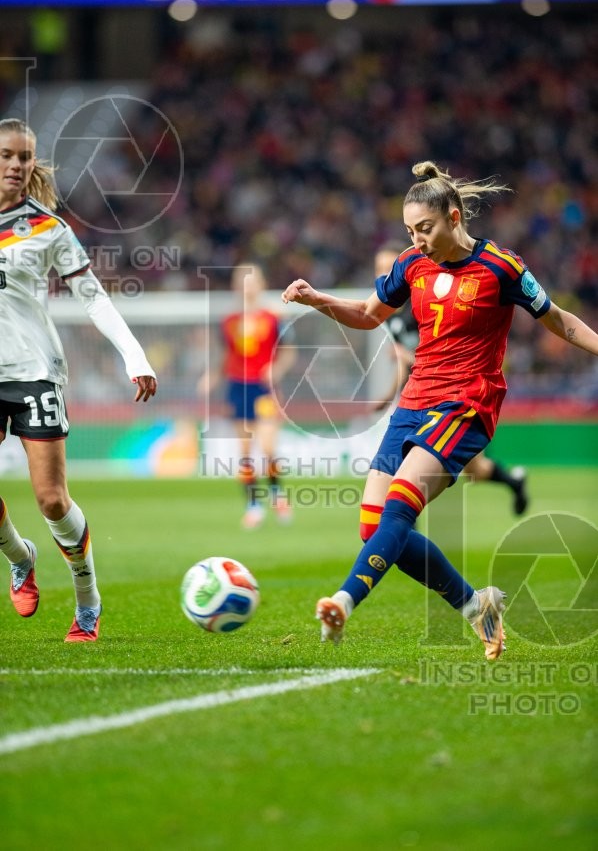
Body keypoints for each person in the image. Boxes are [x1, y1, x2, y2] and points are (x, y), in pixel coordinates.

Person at [282, 160, 598, 660]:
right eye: (409, 230)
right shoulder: (411, 265)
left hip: (467, 403)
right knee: (374, 528)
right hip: (415, 401)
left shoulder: (502, 267)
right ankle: (477, 606)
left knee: (400, 507)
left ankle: (343, 602)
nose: (417, 239)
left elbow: (558, 319)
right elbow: (368, 315)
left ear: (454, 217)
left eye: (424, 228)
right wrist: (319, 300)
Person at [0, 117, 157, 642]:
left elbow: (92, 296)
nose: (16, 165)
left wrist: (134, 354)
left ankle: (87, 598)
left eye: (24, 157)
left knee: (51, 500)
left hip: (35, 372)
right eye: (6, 155)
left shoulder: (47, 228)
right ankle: (21, 557)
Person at [374, 243, 529, 516]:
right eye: (380, 270)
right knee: (418, 475)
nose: (386, 274)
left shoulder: (426, 300)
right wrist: (389, 394)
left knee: (473, 470)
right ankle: (513, 481)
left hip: (455, 399)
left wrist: (404, 360)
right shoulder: (392, 317)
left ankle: (513, 483)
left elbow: (440, 353)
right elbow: (404, 363)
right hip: (419, 398)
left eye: (389, 268)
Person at [199, 263, 296, 528]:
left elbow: (289, 352)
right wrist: (212, 377)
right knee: (243, 450)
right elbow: (226, 355)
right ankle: (253, 504)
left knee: (267, 447)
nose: (247, 285)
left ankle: (277, 494)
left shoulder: (275, 316)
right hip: (237, 386)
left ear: (262, 284)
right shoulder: (229, 321)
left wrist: (275, 370)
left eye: (252, 280)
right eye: (242, 280)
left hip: (263, 389)